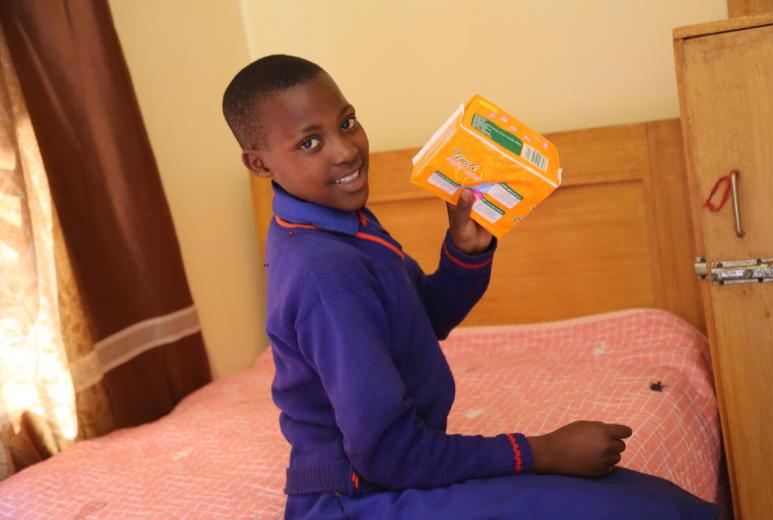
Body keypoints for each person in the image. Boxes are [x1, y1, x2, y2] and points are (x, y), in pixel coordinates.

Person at [222, 54, 720, 519]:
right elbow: (388, 454)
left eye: (347, 122)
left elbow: (423, 319)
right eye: (310, 142)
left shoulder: (333, 222)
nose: (346, 149)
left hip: (393, 469)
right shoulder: (326, 273)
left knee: (645, 497)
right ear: (260, 164)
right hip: (357, 498)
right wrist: (542, 451)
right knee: (639, 512)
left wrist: (464, 251)